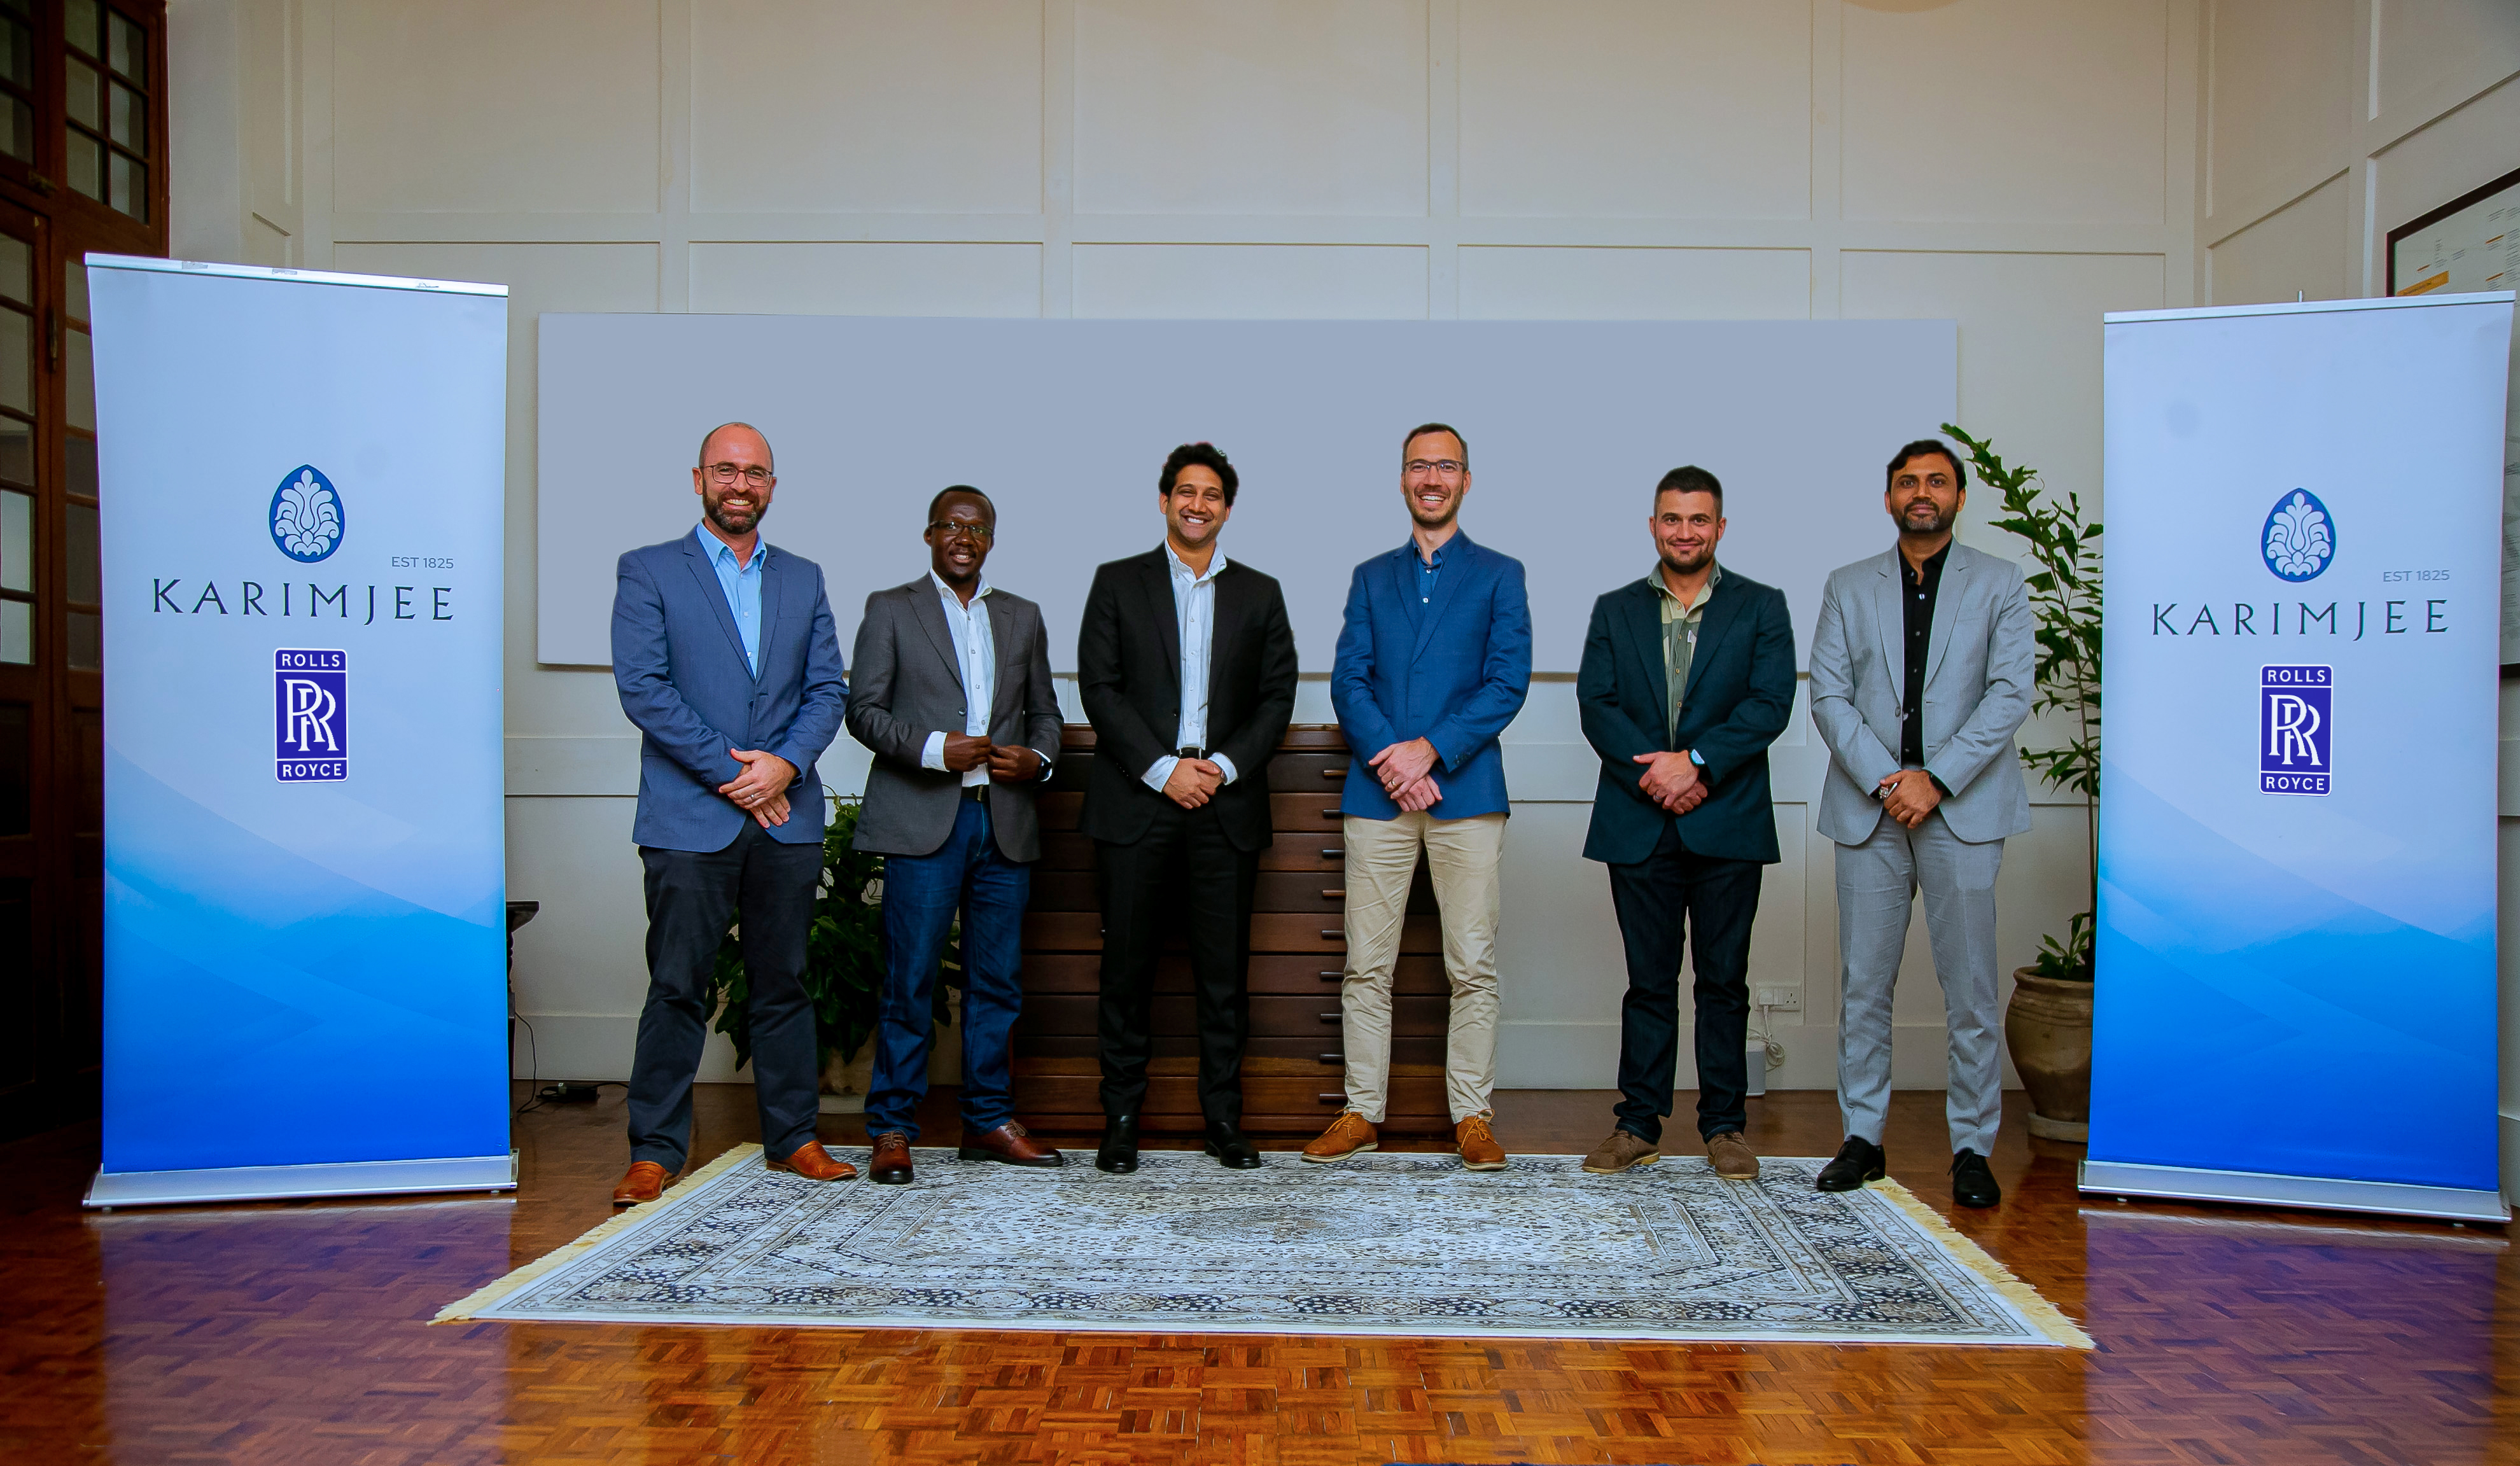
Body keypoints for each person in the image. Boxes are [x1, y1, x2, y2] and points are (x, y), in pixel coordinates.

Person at [608, 422, 855, 1206]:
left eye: (754, 473)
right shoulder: (649, 570)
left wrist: (783, 766)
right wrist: (735, 774)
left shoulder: (804, 578)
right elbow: (644, 688)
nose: (740, 484)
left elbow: (828, 690)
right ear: (699, 480)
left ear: (772, 486)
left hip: (786, 817)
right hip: (689, 818)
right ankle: (654, 1151)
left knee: (783, 985)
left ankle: (795, 1138)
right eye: (725, 470)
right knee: (677, 986)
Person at [1808, 438, 2034, 1210]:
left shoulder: (2001, 582)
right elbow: (1829, 697)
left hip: (1961, 809)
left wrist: (1934, 780)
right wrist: (1889, 780)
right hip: (1868, 812)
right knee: (1863, 985)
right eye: (1908, 482)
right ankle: (1862, 1139)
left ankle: (1972, 1147)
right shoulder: (1847, 586)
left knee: (1969, 989)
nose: (1922, 492)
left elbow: (2010, 693)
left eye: (1937, 481)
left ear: (1960, 497)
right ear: (1889, 498)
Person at [1303, 423, 1530, 1171]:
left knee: (1473, 965)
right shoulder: (1372, 577)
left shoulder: (1501, 575)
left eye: (1446, 467)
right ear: (1403, 479)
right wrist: (1393, 761)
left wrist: (1428, 749)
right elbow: (1349, 682)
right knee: (1368, 965)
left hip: (1468, 792)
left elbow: (1507, 683)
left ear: (1466, 480)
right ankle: (1361, 1112)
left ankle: (1472, 1116)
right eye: (1419, 467)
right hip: (1380, 796)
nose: (1432, 479)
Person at [1076, 442, 1298, 1174]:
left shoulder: (1260, 593)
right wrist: (1164, 770)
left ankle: (1224, 1121)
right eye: (1185, 492)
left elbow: (1276, 697)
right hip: (1137, 803)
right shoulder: (1117, 582)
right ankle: (1121, 1121)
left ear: (1227, 509)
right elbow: (1100, 688)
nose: (1197, 504)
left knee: (1223, 979)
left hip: (1224, 807)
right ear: (1164, 500)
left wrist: (1220, 770)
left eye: (1211, 495)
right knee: (1126, 973)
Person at [1574, 466, 1795, 1180]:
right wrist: (1660, 777)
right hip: (1639, 821)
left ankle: (1725, 1128)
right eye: (1673, 518)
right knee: (1649, 983)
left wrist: (1695, 764)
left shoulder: (1761, 606)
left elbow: (1769, 703)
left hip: (1728, 819)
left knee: (1724, 982)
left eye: (1699, 519)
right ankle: (1638, 1125)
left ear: (1720, 528)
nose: (1685, 531)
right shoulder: (1615, 610)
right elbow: (1597, 705)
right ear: (1653, 526)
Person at [844, 486, 1065, 1185]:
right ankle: (892, 1127)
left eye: (978, 529)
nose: (964, 538)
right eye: (951, 526)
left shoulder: (1023, 616)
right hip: (923, 820)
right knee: (909, 980)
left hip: (1004, 821)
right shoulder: (891, 607)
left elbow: (1045, 713)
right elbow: (863, 711)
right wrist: (938, 748)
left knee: (997, 982)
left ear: (991, 540)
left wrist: (1040, 760)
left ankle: (988, 1121)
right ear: (930, 534)